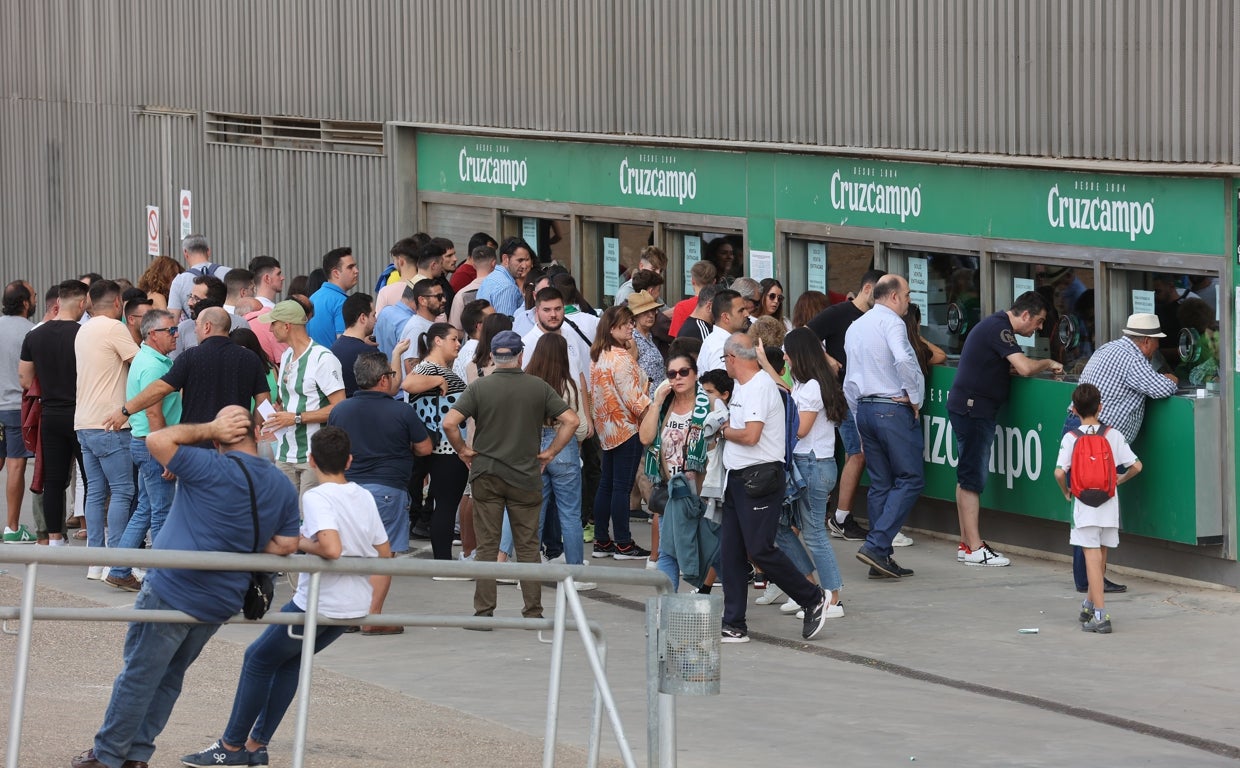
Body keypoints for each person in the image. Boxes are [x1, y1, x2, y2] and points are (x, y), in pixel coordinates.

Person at [70, 407, 300, 768]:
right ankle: (137, 755)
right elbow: (287, 544)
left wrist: (209, 425)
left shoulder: (208, 466)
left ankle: (109, 755)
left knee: (139, 674)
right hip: (221, 599)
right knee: (168, 679)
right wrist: (238, 540)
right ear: (257, 432)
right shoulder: (280, 484)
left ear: (216, 437)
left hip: (173, 587)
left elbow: (156, 439)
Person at [179, 427, 389, 766]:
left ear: (311, 461)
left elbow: (331, 548)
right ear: (349, 460)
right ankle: (255, 745)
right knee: (288, 662)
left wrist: (298, 542)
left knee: (258, 659)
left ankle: (231, 747)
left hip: (318, 603)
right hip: (351, 606)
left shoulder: (317, 497)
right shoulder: (362, 495)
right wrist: (373, 605)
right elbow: (384, 551)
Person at [442, 330, 579, 622]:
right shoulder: (538, 387)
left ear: (492, 355)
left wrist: (464, 450)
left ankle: (483, 612)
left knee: (488, 546)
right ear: (520, 355)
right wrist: (551, 452)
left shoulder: (480, 387)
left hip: (486, 474)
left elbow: (450, 423)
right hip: (526, 476)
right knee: (528, 545)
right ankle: (533, 611)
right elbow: (571, 420)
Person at [717, 333, 829, 643]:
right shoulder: (743, 385)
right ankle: (734, 622)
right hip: (737, 478)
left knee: (759, 549)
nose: (724, 364)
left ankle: (811, 597)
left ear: (733, 359)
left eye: (725, 359)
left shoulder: (759, 387)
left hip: (760, 478)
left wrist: (723, 430)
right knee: (731, 553)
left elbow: (752, 435)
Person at [947, 291, 1063, 567]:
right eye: (1039, 322)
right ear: (1025, 315)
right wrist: (1048, 362)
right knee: (972, 479)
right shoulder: (1000, 328)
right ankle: (975, 547)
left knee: (966, 477)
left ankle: (966, 543)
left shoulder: (994, 325)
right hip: (974, 409)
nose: (1039, 328)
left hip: (968, 406)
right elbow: (1023, 367)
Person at [1067, 312, 1176, 594]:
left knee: (1087, 507)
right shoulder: (1133, 359)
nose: (1156, 348)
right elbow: (1161, 389)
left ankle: (1089, 578)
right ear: (1146, 342)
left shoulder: (1109, 348)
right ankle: (1091, 581)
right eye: (1155, 342)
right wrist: (1172, 377)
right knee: (1095, 509)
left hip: (1082, 433)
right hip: (1097, 443)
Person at [329, 352, 431, 633]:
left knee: (350, 552)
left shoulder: (341, 410)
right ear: (383, 379)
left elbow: (332, 446)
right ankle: (371, 618)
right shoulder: (402, 411)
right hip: (387, 488)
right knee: (382, 556)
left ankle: (349, 615)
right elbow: (424, 448)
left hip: (348, 488)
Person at [843, 275, 923, 580]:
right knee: (911, 478)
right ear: (892, 297)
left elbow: (849, 380)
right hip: (891, 408)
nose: (908, 300)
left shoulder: (856, 325)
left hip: (864, 408)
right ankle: (877, 546)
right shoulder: (892, 321)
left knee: (881, 483)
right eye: (906, 294)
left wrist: (858, 416)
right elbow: (903, 358)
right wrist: (913, 397)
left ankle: (881, 556)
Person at [499, 334, 594, 585]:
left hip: (531, 448)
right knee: (570, 514)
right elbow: (581, 427)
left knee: (533, 513)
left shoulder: (526, 383)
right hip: (564, 448)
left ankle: (527, 573)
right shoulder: (570, 385)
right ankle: (575, 574)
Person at [1054, 383, 1141, 635]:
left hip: (1083, 505)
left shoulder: (1071, 438)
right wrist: (1119, 480)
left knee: (1091, 557)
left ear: (1074, 410)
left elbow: (1059, 472)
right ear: (1100, 407)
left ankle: (1101, 615)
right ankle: (1089, 605)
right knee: (1100, 557)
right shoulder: (1112, 434)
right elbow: (1136, 466)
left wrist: (1066, 491)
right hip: (1108, 504)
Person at [808, 268, 885, 542]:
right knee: (858, 452)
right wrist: (827, 358)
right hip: (844, 394)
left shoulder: (878, 317)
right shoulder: (840, 313)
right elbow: (803, 337)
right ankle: (840, 517)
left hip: (868, 394)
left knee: (861, 453)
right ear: (867, 290)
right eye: (880, 294)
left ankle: (841, 515)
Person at [639, 352, 725, 592]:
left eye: (683, 372)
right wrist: (655, 402)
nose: (677, 378)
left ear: (695, 374)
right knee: (668, 550)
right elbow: (645, 437)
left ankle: (711, 600)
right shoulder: (664, 405)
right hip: (673, 491)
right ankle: (667, 605)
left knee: (708, 548)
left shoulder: (710, 404)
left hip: (702, 491)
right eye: (671, 374)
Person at [74, 280, 141, 589]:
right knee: (123, 491)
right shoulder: (114, 328)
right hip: (111, 423)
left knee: (96, 492)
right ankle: (117, 561)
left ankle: (96, 561)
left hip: (84, 422)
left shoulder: (83, 329)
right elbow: (140, 364)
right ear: (118, 304)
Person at [106, 307, 269, 432]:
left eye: (196, 325)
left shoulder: (190, 357)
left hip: (198, 444)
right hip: (237, 439)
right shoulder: (250, 358)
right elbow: (264, 400)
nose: (194, 330)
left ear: (207, 327)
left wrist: (126, 410)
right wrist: (255, 428)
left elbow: (160, 389)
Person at [108, 309, 180, 589]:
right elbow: (154, 413)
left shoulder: (148, 358)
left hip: (143, 442)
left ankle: (119, 568)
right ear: (153, 334)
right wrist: (166, 454)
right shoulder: (153, 365)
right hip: (153, 444)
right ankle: (159, 579)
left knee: (146, 510)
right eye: (170, 331)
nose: (175, 335)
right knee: (160, 512)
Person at [779, 328, 846, 615]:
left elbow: (801, 429)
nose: (784, 357)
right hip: (808, 465)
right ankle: (807, 588)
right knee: (780, 528)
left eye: (786, 352)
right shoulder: (808, 384)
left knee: (815, 533)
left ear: (798, 356)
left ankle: (833, 598)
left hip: (812, 466)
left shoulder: (812, 387)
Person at [261, 300, 346, 496]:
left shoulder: (323, 358)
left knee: (310, 518)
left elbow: (339, 406)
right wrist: (277, 415)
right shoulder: (287, 356)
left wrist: (296, 417)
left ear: (286, 325)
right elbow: (289, 403)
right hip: (285, 453)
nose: (270, 329)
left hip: (313, 455)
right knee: (287, 518)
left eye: (273, 323)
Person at [588, 306, 652, 560]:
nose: (631, 327)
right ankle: (623, 542)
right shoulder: (621, 358)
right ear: (611, 327)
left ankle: (602, 540)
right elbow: (634, 398)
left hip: (607, 426)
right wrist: (653, 409)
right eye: (625, 324)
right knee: (621, 488)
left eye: (630, 323)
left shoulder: (599, 354)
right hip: (627, 426)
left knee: (607, 485)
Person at [408, 323, 469, 561]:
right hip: (445, 446)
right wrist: (436, 380)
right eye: (454, 339)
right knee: (445, 505)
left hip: (442, 444)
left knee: (443, 504)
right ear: (437, 341)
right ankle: (443, 563)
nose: (458, 344)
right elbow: (407, 384)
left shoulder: (436, 368)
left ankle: (443, 560)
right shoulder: (429, 368)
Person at [1, 282, 35, 543]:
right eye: (33, 296)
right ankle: (12, 528)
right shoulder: (31, 332)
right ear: (25, 303)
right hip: (16, 408)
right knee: (15, 465)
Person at [167, 234, 229, 321]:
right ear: (208, 251)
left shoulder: (179, 281)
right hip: (227, 328)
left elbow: (172, 320)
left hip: (195, 331)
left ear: (185, 253)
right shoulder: (229, 273)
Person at [306, 247, 359, 348]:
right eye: (350, 267)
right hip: (334, 361)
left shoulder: (313, 298)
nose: (356, 271)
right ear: (336, 273)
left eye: (355, 266)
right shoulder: (341, 302)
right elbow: (344, 343)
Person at [330, 292, 377, 397]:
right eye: (373, 315)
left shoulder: (333, 349)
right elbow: (390, 388)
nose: (376, 320)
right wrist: (397, 354)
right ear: (363, 318)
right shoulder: (369, 353)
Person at [477, 237, 534, 317]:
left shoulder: (492, 277)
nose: (524, 265)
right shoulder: (507, 287)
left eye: (527, 259)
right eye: (520, 260)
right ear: (505, 259)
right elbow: (506, 326)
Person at [697, 289, 748, 373]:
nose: (747, 314)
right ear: (726, 317)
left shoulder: (721, 342)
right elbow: (721, 384)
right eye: (741, 310)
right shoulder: (720, 347)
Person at [448, 245, 497, 328]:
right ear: (494, 263)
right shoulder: (502, 288)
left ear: (473, 265)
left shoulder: (461, 295)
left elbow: (455, 328)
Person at [628, 290, 666, 392]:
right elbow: (628, 376)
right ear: (636, 315)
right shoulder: (632, 340)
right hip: (645, 401)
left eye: (653, 311)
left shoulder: (649, 336)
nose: (651, 315)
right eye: (645, 312)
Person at [669, 260, 717, 336]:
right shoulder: (718, 303)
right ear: (714, 282)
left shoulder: (681, 307)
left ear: (692, 281)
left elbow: (676, 339)